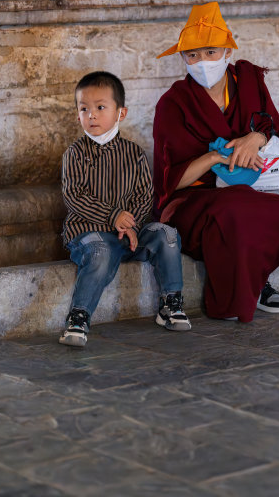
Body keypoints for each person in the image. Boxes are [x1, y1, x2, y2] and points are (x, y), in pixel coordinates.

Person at [153, 2, 279, 323]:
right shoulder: (173, 103)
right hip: (195, 200)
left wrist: (255, 139)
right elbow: (170, 182)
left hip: (251, 186)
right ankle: (250, 290)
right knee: (235, 209)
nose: (202, 62)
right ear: (182, 58)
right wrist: (215, 156)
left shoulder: (248, 82)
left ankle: (257, 280)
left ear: (227, 51)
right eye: (192, 55)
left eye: (210, 52)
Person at [59, 70, 191, 347]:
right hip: (89, 234)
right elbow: (74, 196)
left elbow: (145, 194)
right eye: (84, 109)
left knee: (166, 234)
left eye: (100, 107)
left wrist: (130, 225)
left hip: (130, 234)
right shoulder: (75, 153)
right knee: (101, 250)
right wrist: (113, 217)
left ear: (121, 113)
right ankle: (78, 317)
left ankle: (171, 303)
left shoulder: (134, 153)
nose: (91, 115)